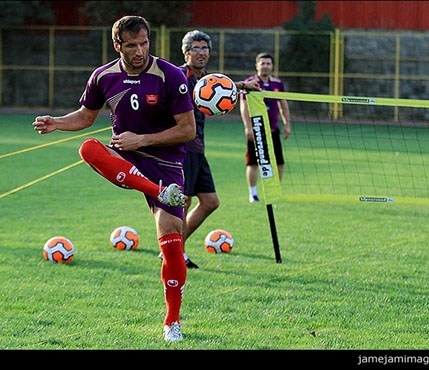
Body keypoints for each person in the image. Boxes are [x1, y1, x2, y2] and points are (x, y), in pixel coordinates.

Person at [32, 15, 196, 343]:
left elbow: (187, 129)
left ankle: (171, 322)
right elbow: (85, 117)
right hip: (125, 157)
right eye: (132, 45)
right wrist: (57, 122)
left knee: (172, 240)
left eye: (145, 43)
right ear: (117, 45)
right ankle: (159, 192)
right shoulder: (103, 76)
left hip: (165, 161)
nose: (140, 51)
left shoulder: (170, 75)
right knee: (89, 148)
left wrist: (142, 140)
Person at [158, 30, 259, 269]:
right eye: (196, 48)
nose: (201, 52)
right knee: (183, 202)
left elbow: (218, 86)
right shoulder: (179, 75)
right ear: (186, 52)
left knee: (210, 202)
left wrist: (243, 86)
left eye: (205, 48)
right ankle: (173, 252)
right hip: (181, 149)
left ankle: (175, 249)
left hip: (197, 150)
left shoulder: (204, 78)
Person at [240, 52, 291, 202]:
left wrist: (287, 124)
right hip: (256, 130)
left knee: (279, 163)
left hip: (273, 129)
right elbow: (244, 105)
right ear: (257, 65)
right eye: (262, 63)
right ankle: (253, 194)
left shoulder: (277, 83)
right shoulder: (250, 83)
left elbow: (283, 105)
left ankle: (276, 192)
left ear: (272, 66)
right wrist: (248, 127)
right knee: (253, 163)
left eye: (268, 63)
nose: (265, 66)